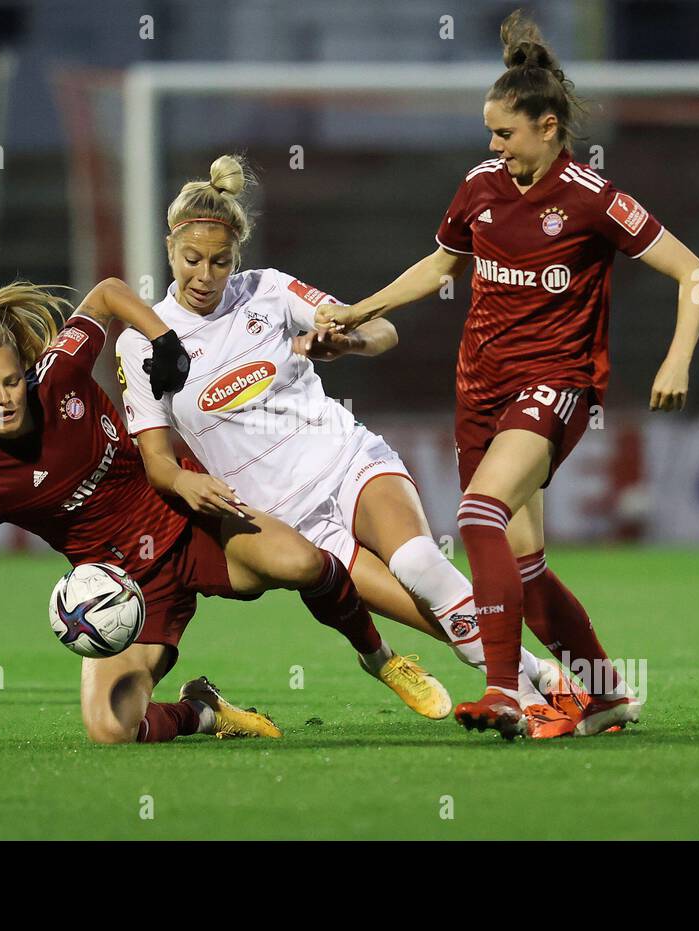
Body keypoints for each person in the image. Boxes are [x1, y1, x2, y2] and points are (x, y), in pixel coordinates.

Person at [0, 278, 448, 750]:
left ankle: (380, 656)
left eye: (11, 380)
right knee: (110, 726)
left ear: (27, 370)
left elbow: (107, 292)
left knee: (306, 560)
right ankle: (203, 713)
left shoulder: (59, 375)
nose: (5, 398)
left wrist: (160, 336)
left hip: (191, 514)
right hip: (126, 592)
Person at [319, 9, 699, 739]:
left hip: (555, 383)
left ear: (549, 127)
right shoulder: (482, 186)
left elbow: (694, 273)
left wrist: (678, 355)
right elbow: (440, 264)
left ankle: (504, 689)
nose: (493, 145)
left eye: (505, 132)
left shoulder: (593, 198)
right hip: (479, 390)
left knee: (477, 516)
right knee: (522, 573)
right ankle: (605, 695)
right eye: (489, 133)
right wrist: (355, 309)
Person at [115, 154, 580, 738]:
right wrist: (183, 480)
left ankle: (533, 699)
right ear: (167, 249)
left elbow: (381, 330)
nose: (206, 275)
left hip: (350, 462)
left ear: (238, 256)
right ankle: (555, 684)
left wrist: (349, 338)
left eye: (220, 260)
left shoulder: (269, 289)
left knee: (419, 562)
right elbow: (156, 459)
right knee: (441, 622)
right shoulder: (143, 343)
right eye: (191, 261)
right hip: (293, 520)